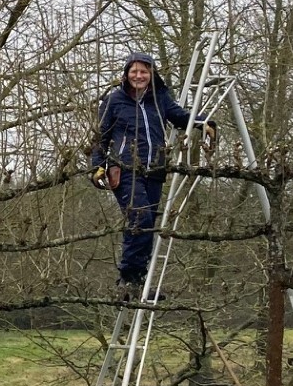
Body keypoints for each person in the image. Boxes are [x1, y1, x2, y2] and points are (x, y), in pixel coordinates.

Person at [88, 53, 213, 298]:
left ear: (151, 74)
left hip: (155, 169)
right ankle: (127, 278)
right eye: (134, 71)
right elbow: (100, 136)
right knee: (139, 217)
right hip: (124, 169)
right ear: (126, 75)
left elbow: (179, 116)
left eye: (144, 71)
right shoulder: (115, 101)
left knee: (147, 225)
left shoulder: (159, 98)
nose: (139, 76)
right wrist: (96, 166)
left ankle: (139, 280)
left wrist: (203, 122)